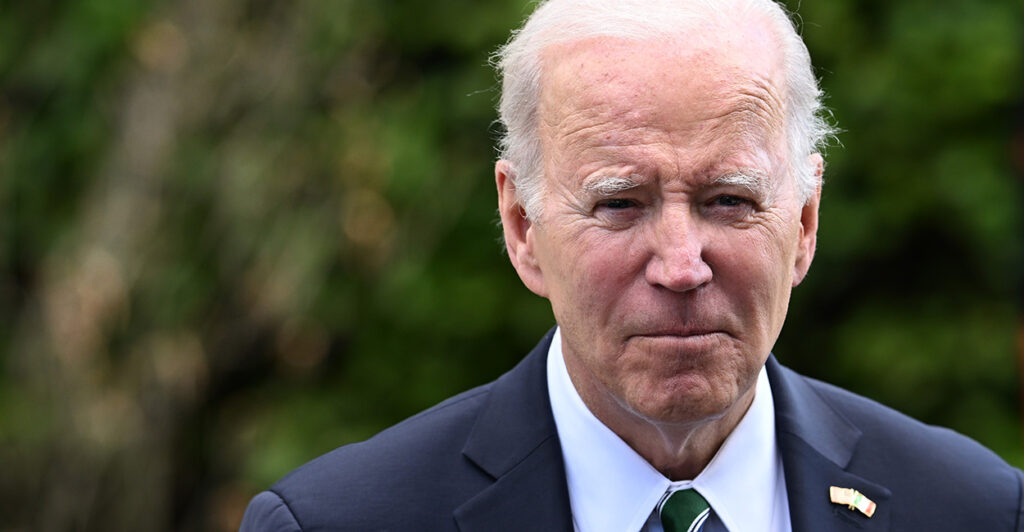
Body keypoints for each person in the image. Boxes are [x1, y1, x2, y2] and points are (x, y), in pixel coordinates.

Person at [240, 0, 1024, 530]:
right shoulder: (339, 523)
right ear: (522, 227)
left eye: (728, 200)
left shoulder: (974, 510)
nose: (682, 266)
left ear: (806, 221)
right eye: (619, 204)